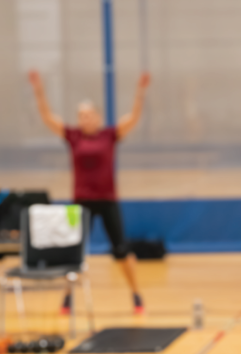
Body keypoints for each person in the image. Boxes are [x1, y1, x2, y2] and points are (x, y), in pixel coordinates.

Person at [28, 70, 150, 315]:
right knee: (74, 251)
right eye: (81, 116)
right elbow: (47, 117)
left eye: (89, 114)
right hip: (81, 204)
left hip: (107, 201)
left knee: (121, 251)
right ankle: (67, 298)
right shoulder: (73, 136)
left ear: (97, 117)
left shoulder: (109, 135)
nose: (85, 119)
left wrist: (140, 92)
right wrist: (38, 91)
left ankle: (136, 293)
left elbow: (134, 117)